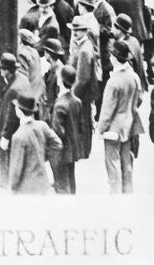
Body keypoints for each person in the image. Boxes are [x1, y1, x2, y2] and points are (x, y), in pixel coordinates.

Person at [97, 40, 144, 193]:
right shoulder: (134, 77)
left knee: (113, 166)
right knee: (127, 165)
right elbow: (139, 99)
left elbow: (107, 111)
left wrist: (100, 129)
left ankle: (115, 197)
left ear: (114, 58)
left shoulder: (113, 82)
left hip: (113, 129)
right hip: (129, 126)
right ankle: (128, 194)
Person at [6, 95, 62, 194]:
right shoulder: (42, 125)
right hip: (43, 183)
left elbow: (16, 168)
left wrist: (11, 188)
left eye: (16, 107)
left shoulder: (18, 136)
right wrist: (42, 156)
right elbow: (58, 144)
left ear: (19, 111)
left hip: (26, 187)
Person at [0, 52, 33, 186]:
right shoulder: (22, 78)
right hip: (24, 126)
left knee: (12, 160)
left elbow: (11, 117)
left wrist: (5, 136)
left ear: (7, 71)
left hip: (15, 131)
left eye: (2, 69)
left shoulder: (13, 89)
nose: (0, 72)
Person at [68, 15, 100, 159]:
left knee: (84, 120)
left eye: (78, 30)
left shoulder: (84, 50)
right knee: (83, 120)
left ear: (85, 31)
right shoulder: (79, 44)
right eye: (74, 29)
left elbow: (82, 78)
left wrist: (72, 94)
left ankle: (84, 150)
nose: (75, 32)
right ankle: (83, 149)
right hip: (82, 91)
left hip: (83, 93)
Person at [50, 65, 85, 194]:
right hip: (72, 149)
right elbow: (80, 127)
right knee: (70, 180)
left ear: (60, 80)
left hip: (61, 152)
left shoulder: (60, 104)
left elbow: (58, 132)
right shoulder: (77, 101)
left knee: (62, 186)